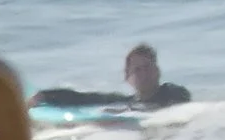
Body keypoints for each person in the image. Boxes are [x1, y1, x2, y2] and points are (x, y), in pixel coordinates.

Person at [29, 44, 191, 111]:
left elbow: (183, 101)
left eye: (147, 67)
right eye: (137, 70)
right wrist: (45, 95)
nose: (143, 74)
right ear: (128, 77)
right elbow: (83, 98)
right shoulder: (125, 102)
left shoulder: (173, 93)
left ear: (157, 71)